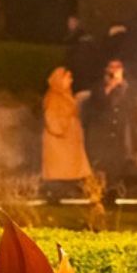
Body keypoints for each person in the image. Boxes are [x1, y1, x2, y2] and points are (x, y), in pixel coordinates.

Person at [83, 59, 137, 195]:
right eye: (111, 67)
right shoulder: (98, 88)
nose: (114, 70)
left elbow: (132, 111)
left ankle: (114, 192)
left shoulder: (128, 89)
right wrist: (110, 87)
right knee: (101, 167)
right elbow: (96, 108)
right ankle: (99, 193)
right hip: (102, 135)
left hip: (119, 135)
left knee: (117, 167)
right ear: (106, 69)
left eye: (118, 67)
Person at [41, 67, 92, 199]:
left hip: (69, 141)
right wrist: (64, 127)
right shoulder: (53, 97)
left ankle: (66, 194)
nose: (71, 80)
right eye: (67, 77)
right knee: (60, 171)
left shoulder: (66, 94)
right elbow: (51, 119)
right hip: (60, 142)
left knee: (71, 170)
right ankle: (56, 195)